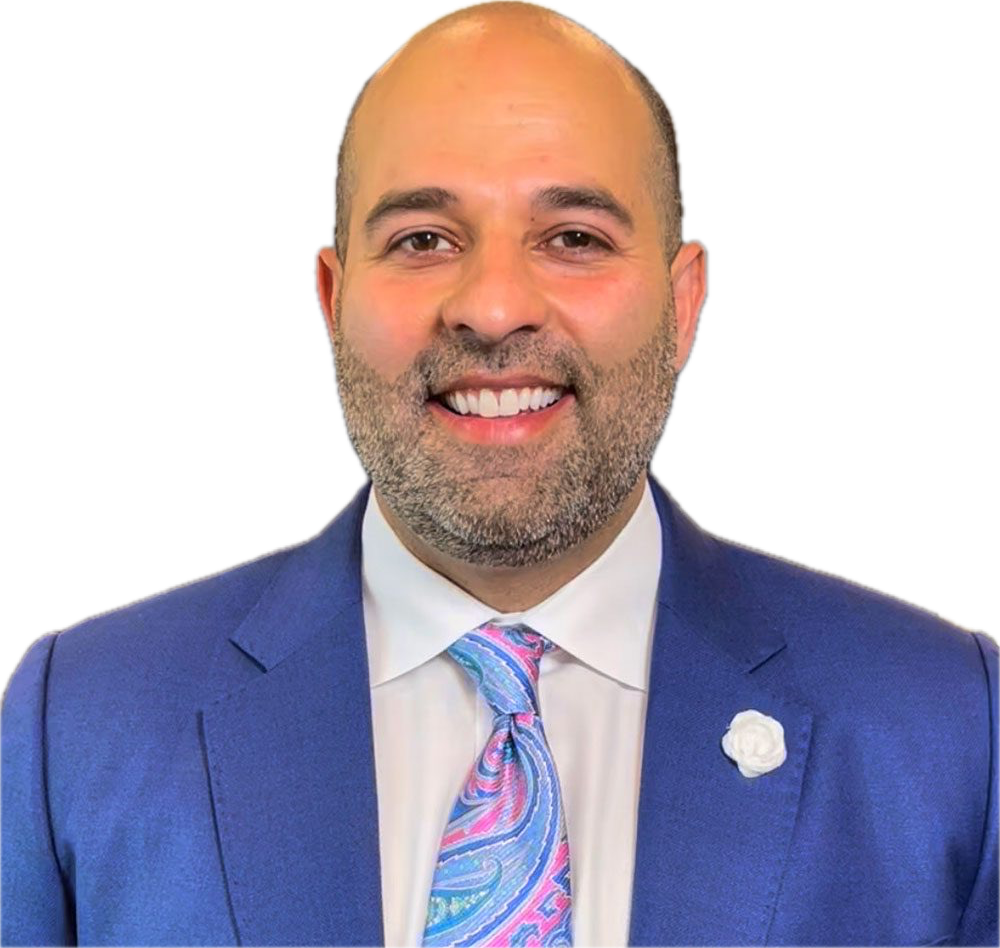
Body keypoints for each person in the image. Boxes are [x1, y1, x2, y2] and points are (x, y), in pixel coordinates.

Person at [1, 1, 996, 945]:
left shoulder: (956, 725)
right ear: (332, 300)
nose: (491, 308)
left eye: (574, 239)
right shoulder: (77, 724)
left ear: (684, 304)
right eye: (423, 240)